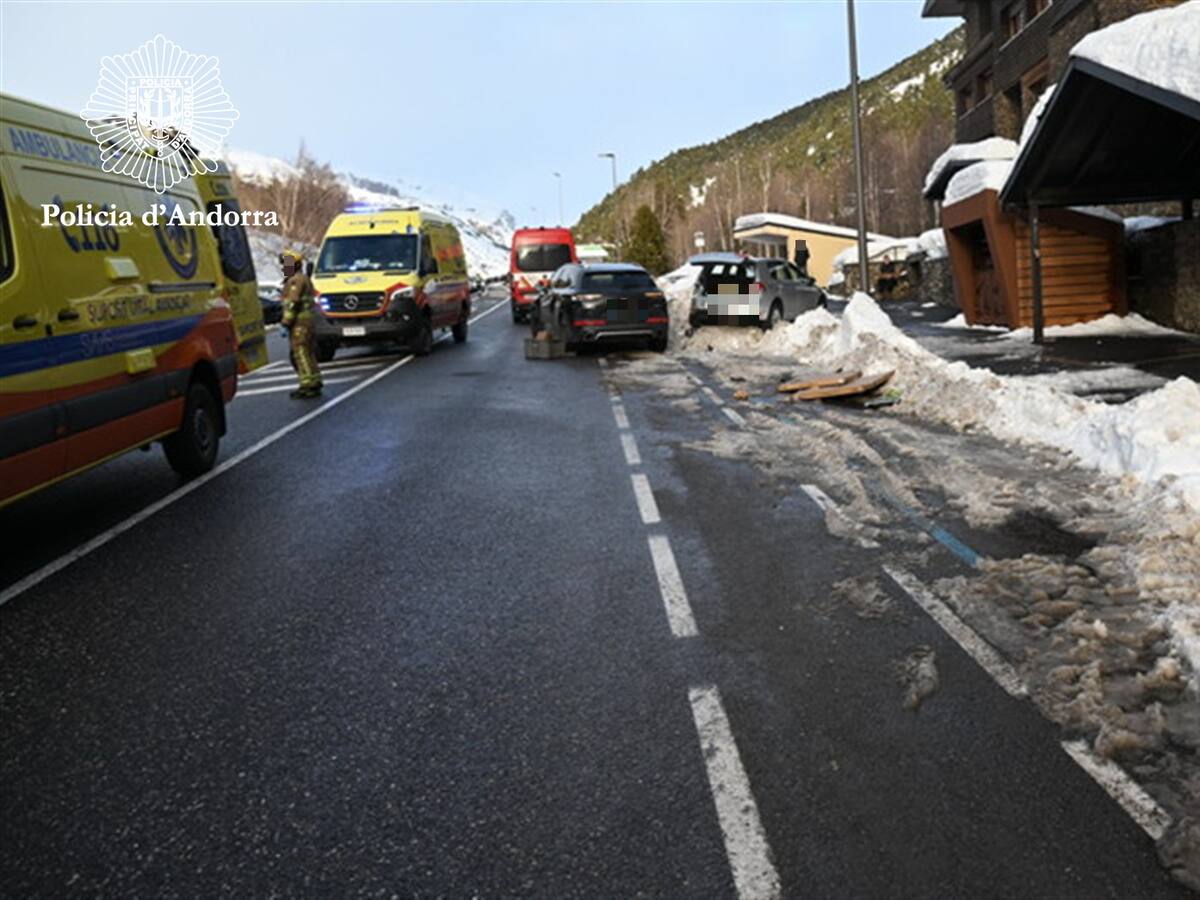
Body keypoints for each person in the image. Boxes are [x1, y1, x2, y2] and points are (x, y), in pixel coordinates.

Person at [279, 249, 323, 399]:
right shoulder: (303, 278)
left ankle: (307, 385)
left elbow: (293, 302)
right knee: (308, 352)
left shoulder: (295, 281)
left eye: (286, 264)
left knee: (301, 353)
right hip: (307, 322)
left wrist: (286, 322)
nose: (283, 267)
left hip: (300, 323)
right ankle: (315, 380)